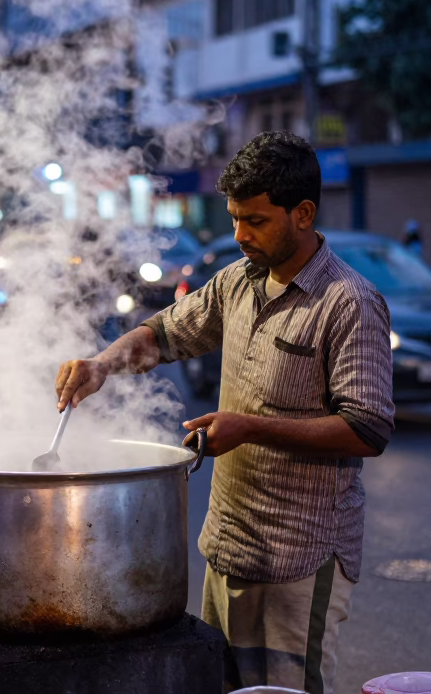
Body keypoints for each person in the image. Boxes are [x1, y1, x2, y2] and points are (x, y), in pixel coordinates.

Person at [54, 132, 394, 694]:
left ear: (303, 213)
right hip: (228, 543)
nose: (239, 235)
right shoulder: (237, 282)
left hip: (301, 557)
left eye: (255, 220)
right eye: (235, 218)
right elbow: (164, 333)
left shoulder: (348, 302)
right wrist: (100, 365)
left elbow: (367, 429)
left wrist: (250, 427)